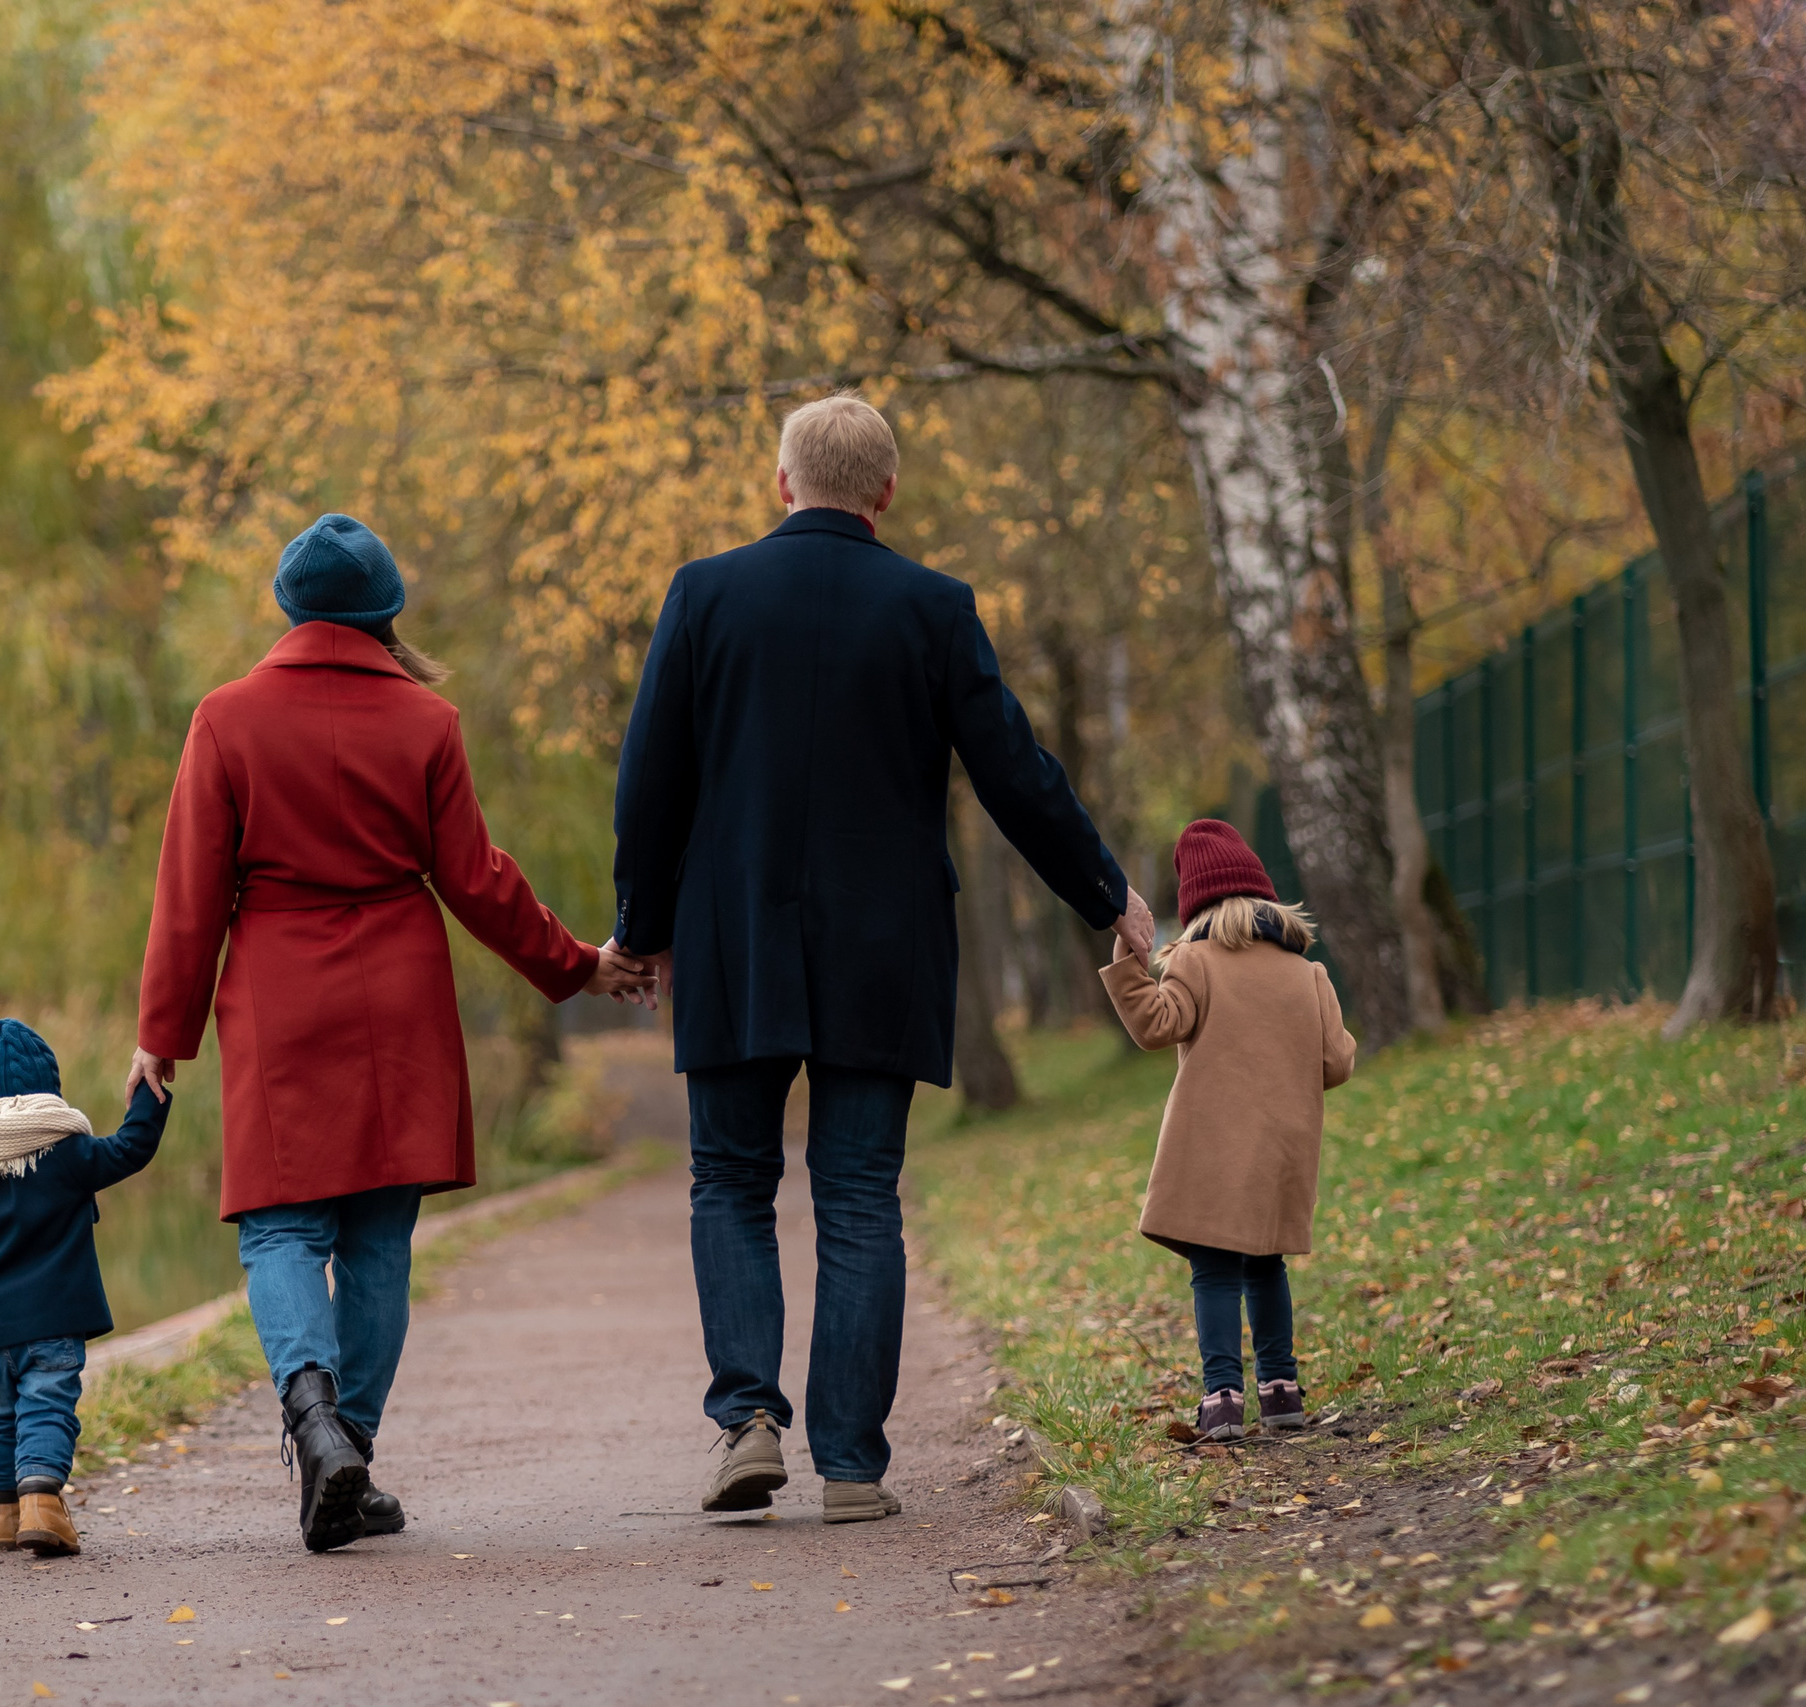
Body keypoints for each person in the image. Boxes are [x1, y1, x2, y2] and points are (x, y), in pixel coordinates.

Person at [607, 391, 1155, 1523]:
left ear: (783, 483)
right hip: (882, 944)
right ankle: (853, 1465)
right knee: (859, 1195)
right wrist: (1107, 893)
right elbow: (1015, 772)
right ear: (886, 492)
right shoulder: (932, 607)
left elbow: (650, 780)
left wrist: (642, 926)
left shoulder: (705, 594)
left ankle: (747, 1421)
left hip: (737, 936)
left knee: (731, 1181)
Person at [132, 513, 651, 1554]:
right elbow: (477, 880)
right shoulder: (426, 721)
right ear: (385, 610)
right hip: (400, 998)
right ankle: (349, 1449)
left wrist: (163, 1032)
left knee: (282, 1228)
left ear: (288, 606)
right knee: (377, 1238)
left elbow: (191, 893)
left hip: (279, 995)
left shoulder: (226, 719)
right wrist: (573, 964)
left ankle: (316, 1424)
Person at [1099, 819, 1355, 1441]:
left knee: (1214, 1271)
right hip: (1282, 1150)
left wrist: (1129, 962)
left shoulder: (1194, 960)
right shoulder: (1307, 974)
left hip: (1214, 1149)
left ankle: (1221, 1400)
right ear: (1263, 896)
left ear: (1195, 904)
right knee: (1267, 1265)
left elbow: (1157, 1025)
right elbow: (1337, 1062)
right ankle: (1282, 1390)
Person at [0, 1018, 170, 1557]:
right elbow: (131, 1147)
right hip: (53, 1323)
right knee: (46, 1405)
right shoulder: (67, 1154)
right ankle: (41, 1504)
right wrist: (148, 1093)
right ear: (48, 1089)